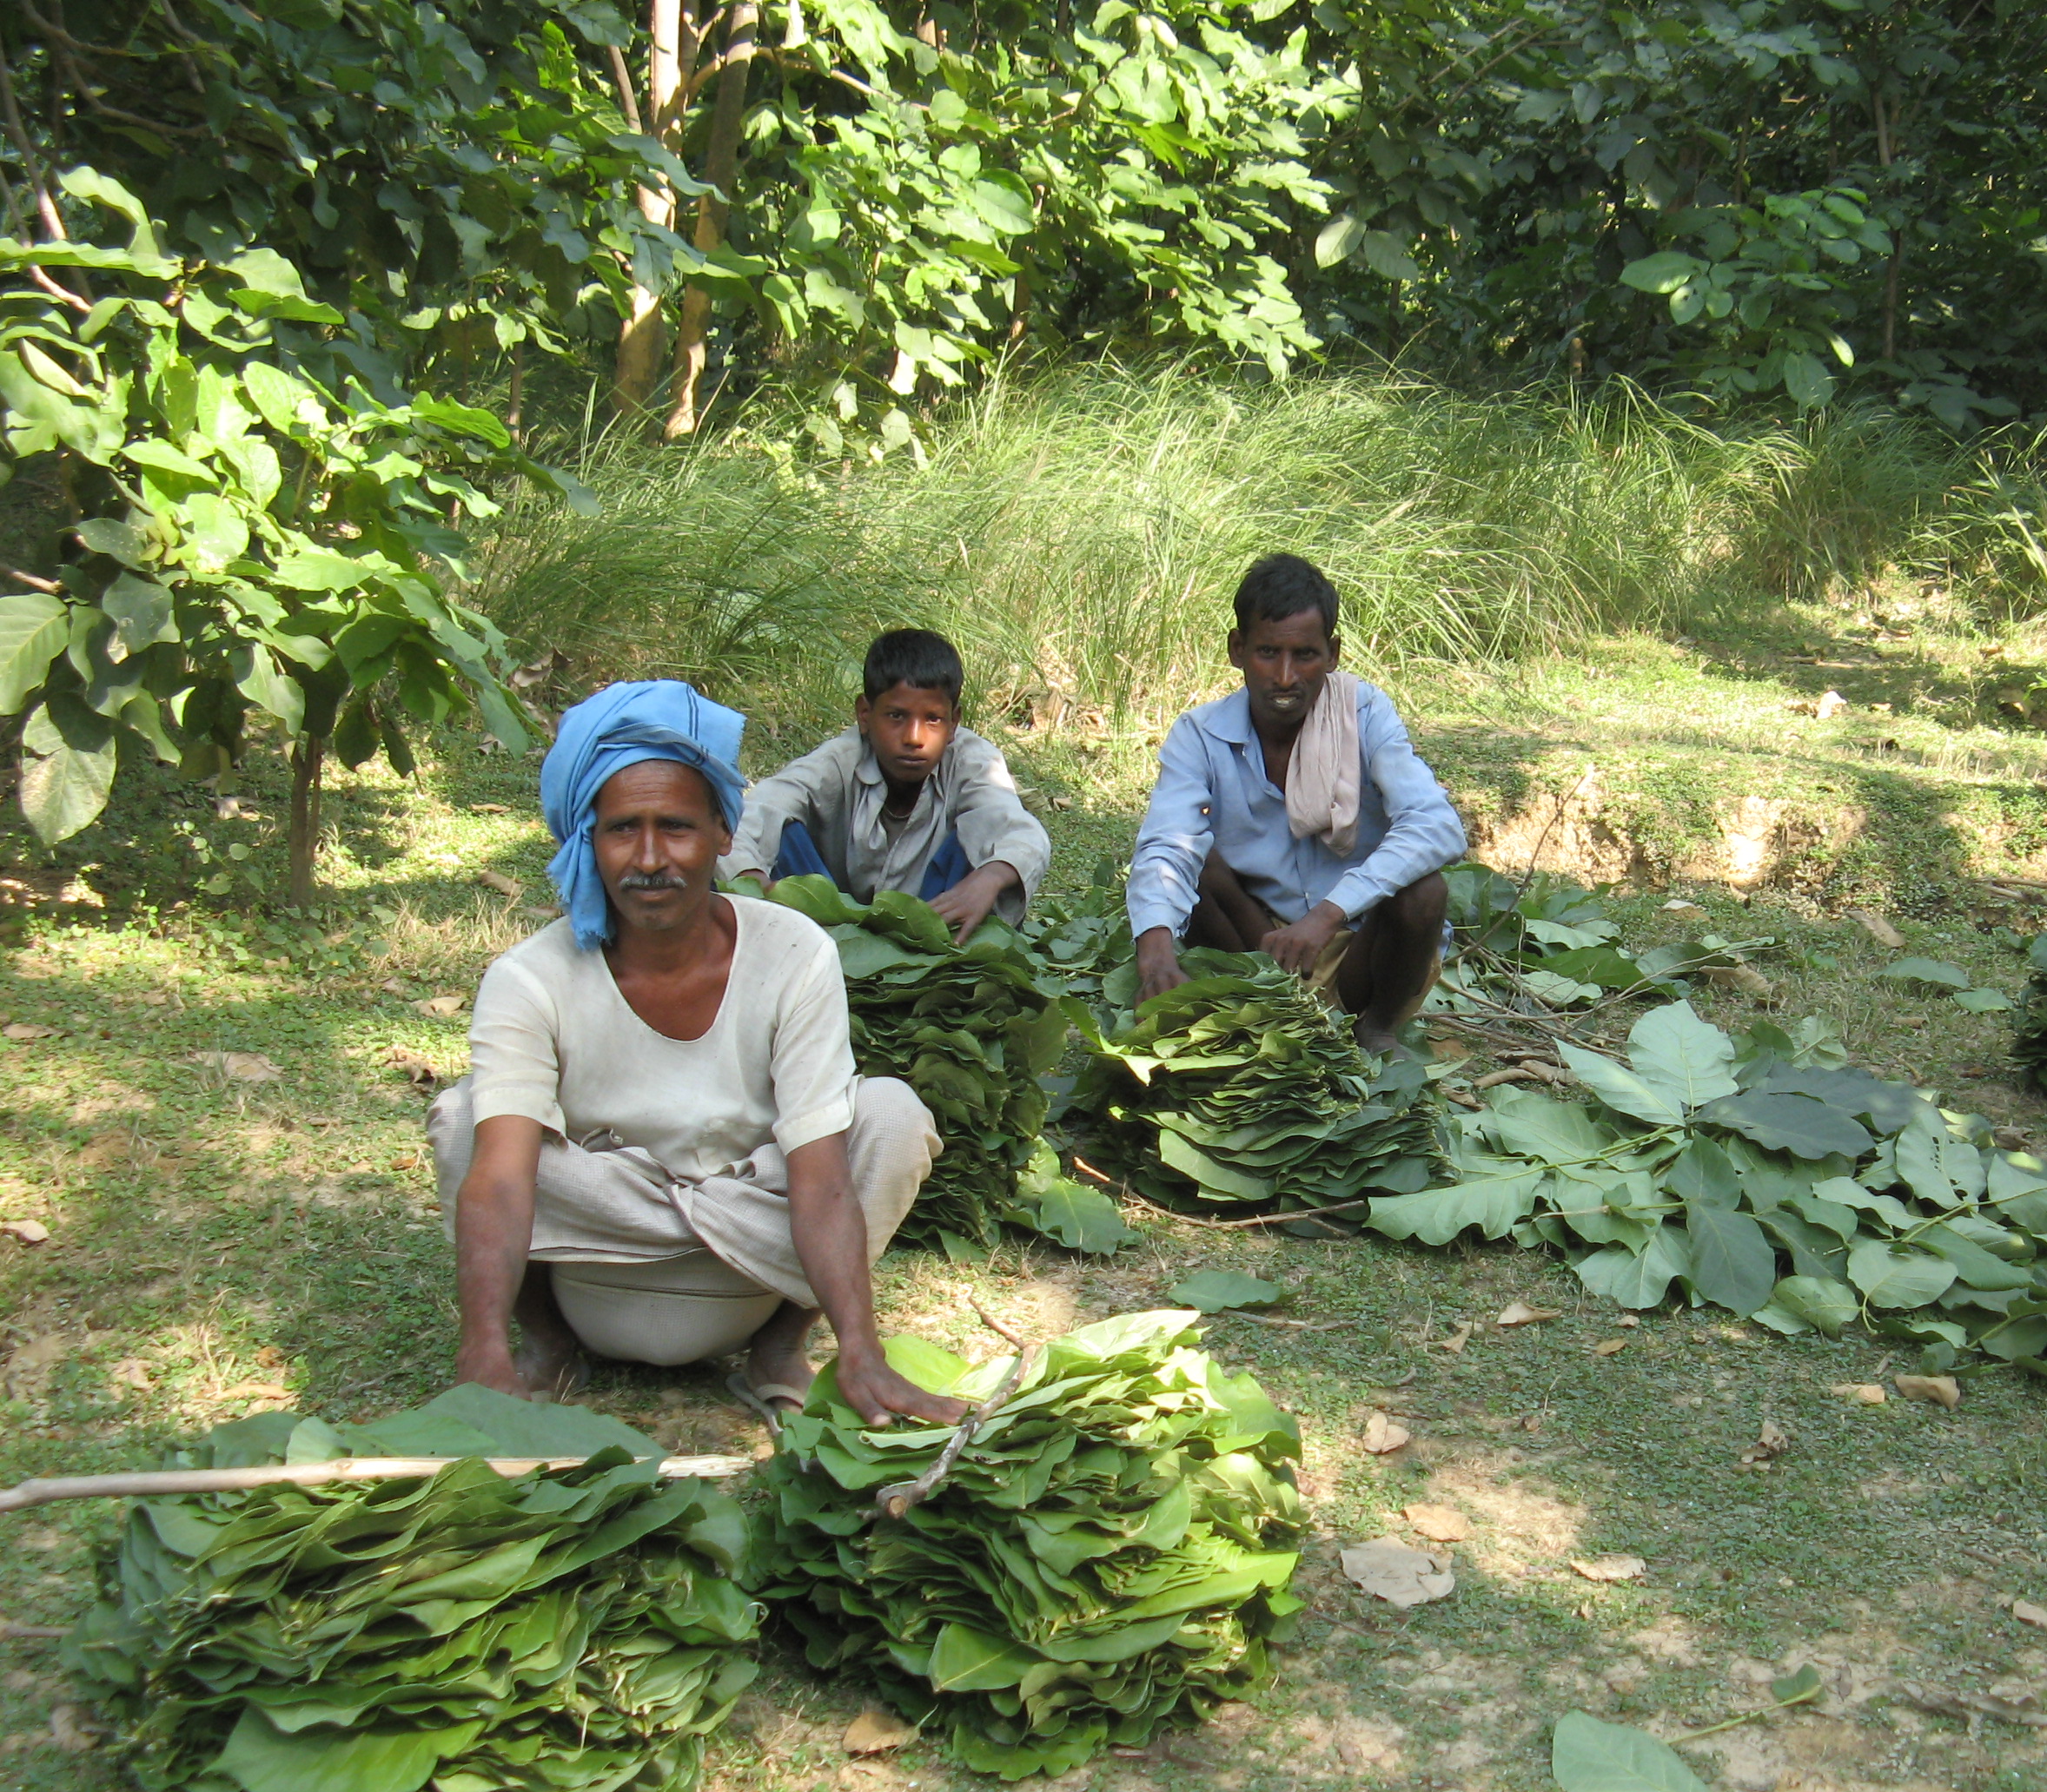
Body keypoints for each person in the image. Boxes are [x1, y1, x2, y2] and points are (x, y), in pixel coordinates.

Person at [429, 678, 967, 1426]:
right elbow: (501, 1181)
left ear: (723, 833)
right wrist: (478, 1348)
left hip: (749, 1252)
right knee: (465, 1121)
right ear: (589, 838)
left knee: (889, 1116)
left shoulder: (792, 952)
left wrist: (861, 1348)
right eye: (622, 829)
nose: (650, 858)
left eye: (676, 827)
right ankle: (544, 1346)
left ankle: (781, 1349)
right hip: (604, 1248)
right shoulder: (531, 976)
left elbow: (819, 1175)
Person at [1129, 552, 1467, 1050]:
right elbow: (1166, 844)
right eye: (1267, 652)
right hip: (1259, 946)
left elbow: (1437, 826)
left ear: (1332, 654)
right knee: (1198, 859)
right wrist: (1156, 951)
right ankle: (1265, 1005)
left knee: (1424, 892)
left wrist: (1327, 915)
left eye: (1304, 656)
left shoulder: (1365, 714)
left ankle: (1376, 1028)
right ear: (1237, 649)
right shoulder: (1199, 734)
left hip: (1361, 952)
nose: (1285, 678)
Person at [725, 627, 1050, 939]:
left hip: (936, 921)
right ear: (865, 714)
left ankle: (955, 958)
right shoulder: (838, 760)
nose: (914, 738)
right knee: (776, 835)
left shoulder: (972, 762)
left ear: (954, 723)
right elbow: (749, 815)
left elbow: (1023, 835)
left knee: (988, 850)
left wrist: (988, 879)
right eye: (896, 716)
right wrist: (752, 880)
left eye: (933, 719)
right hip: (833, 924)